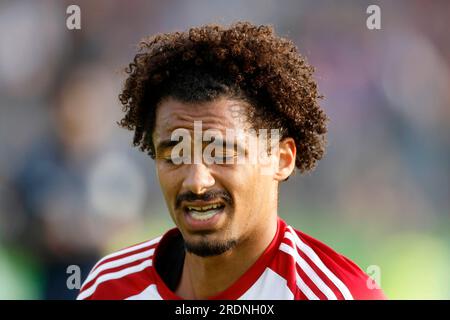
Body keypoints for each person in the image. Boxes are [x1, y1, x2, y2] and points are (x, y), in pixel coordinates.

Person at [77, 22, 385, 300]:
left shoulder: (342, 296)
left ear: (280, 159)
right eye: (175, 154)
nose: (197, 181)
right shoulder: (108, 289)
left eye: (222, 153)